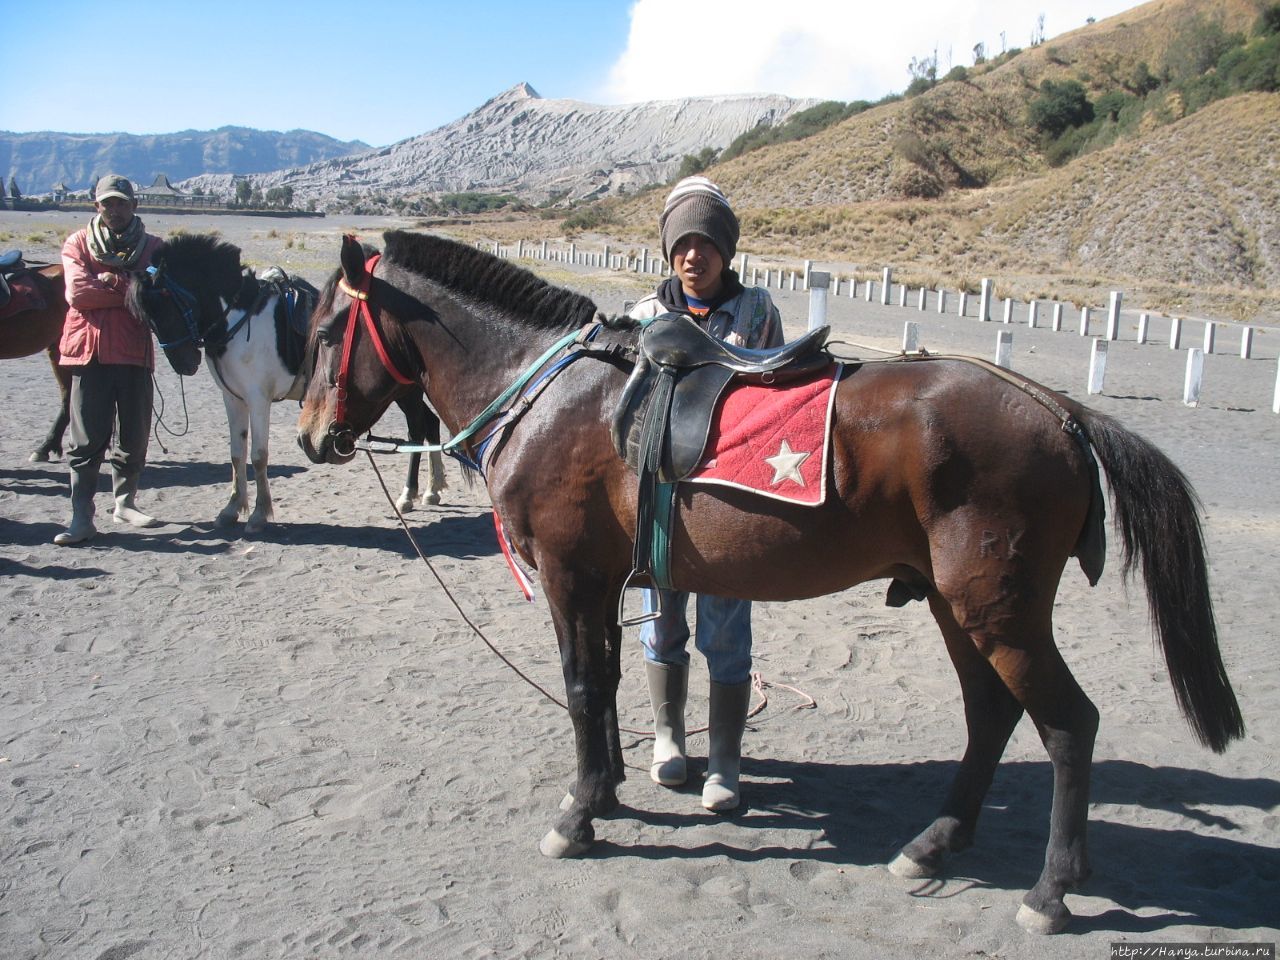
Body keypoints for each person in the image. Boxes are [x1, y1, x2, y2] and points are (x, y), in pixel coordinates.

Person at [627, 176, 784, 811]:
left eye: (708, 242)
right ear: (668, 249)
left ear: (727, 249)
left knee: (726, 627)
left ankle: (724, 759)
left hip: (731, 498)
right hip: (659, 498)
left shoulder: (755, 312)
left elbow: (783, 395)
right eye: (684, 242)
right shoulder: (643, 316)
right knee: (661, 621)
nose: (695, 255)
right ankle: (668, 737)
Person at [53, 174, 164, 546]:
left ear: (134, 205)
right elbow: (78, 294)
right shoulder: (78, 243)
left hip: (133, 351)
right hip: (89, 353)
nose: (114, 210)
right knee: (86, 439)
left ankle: (125, 501)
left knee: (134, 434)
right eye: (107, 203)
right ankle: (81, 515)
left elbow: (153, 295)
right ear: (96, 206)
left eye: (121, 203)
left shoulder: (154, 249)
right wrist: (129, 286)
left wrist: (111, 281)